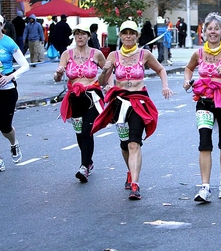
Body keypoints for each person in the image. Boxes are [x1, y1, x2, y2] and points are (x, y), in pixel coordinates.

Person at [91, 20, 173, 200]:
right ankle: (130, 171)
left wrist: (165, 86)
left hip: (139, 101)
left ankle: (135, 184)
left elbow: (161, 70)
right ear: (120, 36)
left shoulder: (144, 54)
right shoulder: (113, 55)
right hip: (120, 103)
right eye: (125, 33)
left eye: (131, 33)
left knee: (134, 143)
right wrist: (105, 71)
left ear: (136, 36)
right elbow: (102, 82)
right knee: (124, 143)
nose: (128, 36)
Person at [183, 12, 221, 203]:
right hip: (203, 101)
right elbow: (188, 68)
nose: (213, 32)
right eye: (209, 28)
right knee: (204, 143)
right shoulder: (199, 53)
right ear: (204, 32)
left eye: (216, 29)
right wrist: (187, 80)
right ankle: (205, 187)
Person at [53, 24, 108, 183]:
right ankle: (88, 162)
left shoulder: (96, 54)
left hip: (92, 96)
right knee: (79, 133)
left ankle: (83, 167)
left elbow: (107, 71)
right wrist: (58, 74)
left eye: (83, 34)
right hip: (75, 98)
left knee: (87, 131)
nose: (80, 37)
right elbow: (57, 78)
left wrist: (109, 85)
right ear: (74, 36)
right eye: (77, 34)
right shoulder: (67, 54)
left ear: (88, 36)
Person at [0, 15, 30, 172]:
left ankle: (13, 143)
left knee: (4, 126)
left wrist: (10, 76)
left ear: (2, 25)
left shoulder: (8, 43)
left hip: (7, 90)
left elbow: (25, 65)